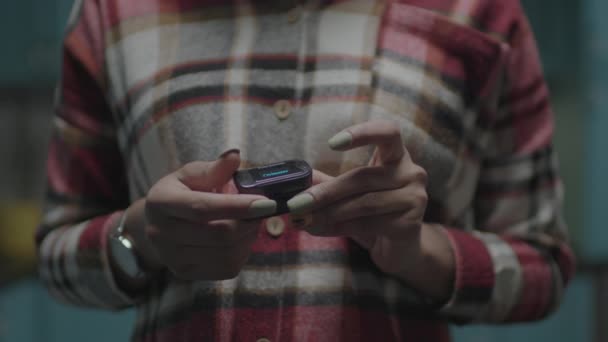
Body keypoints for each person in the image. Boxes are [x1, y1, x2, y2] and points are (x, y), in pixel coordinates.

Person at [36, 0, 576, 341]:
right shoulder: (109, 12)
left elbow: (545, 268)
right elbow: (56, 254)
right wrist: (142, 237)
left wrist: (419, 252)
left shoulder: (483, 10)